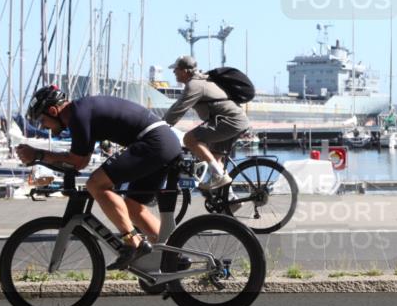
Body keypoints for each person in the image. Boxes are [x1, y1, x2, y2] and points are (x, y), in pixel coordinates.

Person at [16, 86, 182, 269]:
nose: (43, 126)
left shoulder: (77, 116)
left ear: (53, 111)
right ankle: (172, 256)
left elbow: (78, 162)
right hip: (164, 141)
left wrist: (38, 154)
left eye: (42, 121)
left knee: (96, 184)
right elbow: (82, 160)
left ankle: (133, 243)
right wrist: (40, 157)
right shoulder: (81, 112)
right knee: (133, 207)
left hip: (153, 142)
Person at [163, 56, 251, 190]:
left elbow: (178, 109)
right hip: (235, 120)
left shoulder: (194, 85)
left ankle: (218, 176)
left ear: (185, 71)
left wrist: (160, 127)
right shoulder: (203, 80)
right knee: (215, 160)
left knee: (189, 139)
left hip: (229, 121)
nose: (174, 72)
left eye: (176, 69)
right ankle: (230, 199)